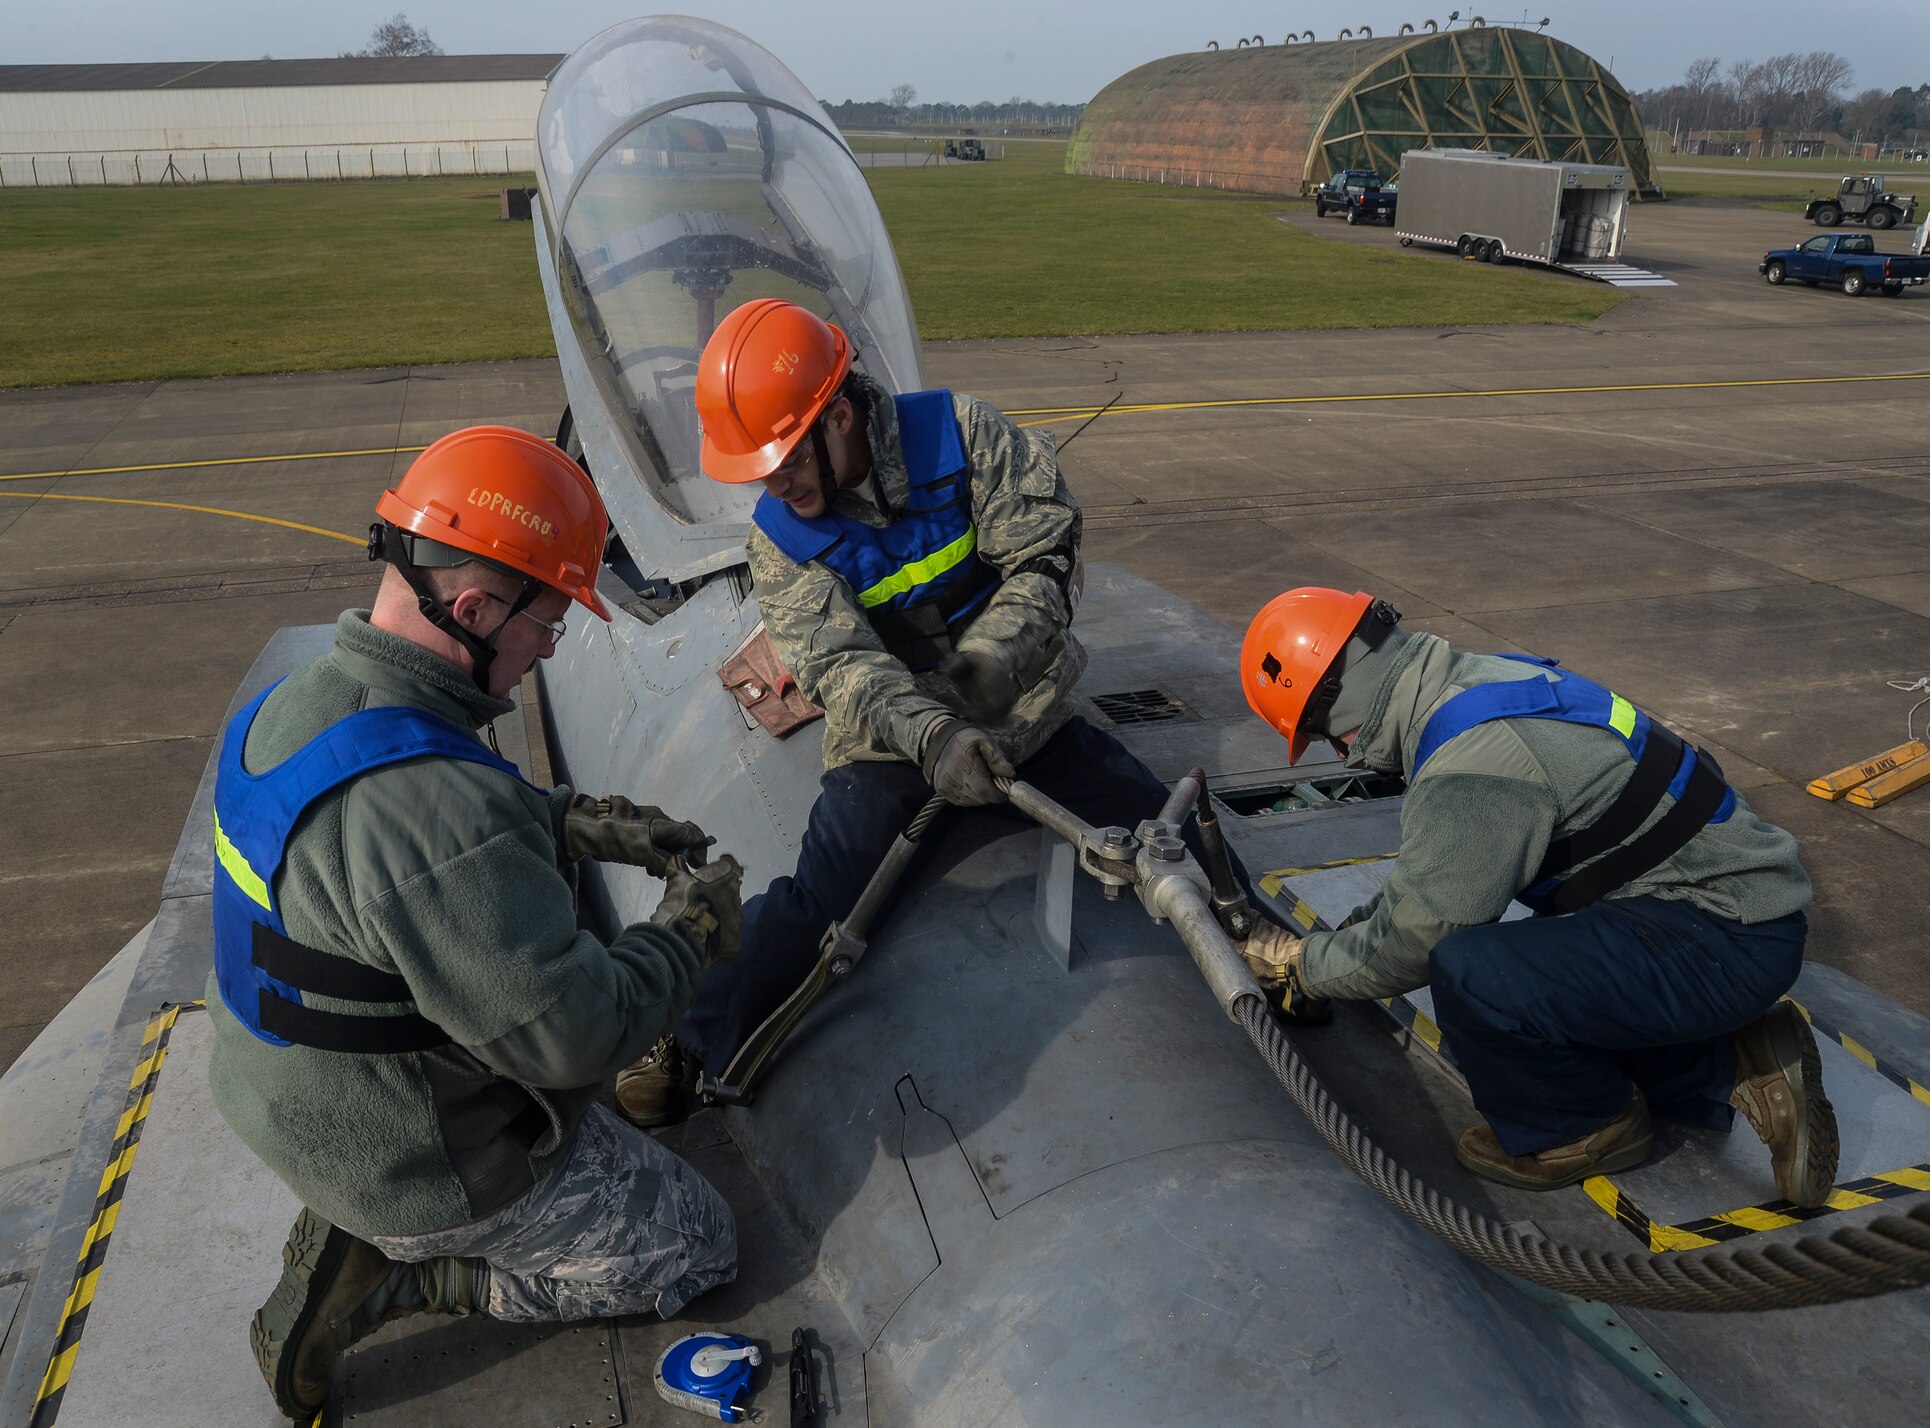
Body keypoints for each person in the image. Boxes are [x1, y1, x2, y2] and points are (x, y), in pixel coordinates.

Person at [206, 426, 746, 1424]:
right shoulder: (443, 811)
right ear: (474, 608)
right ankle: (407, 1274)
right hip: (400, 1153)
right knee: (700, 1242)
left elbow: (378, 856)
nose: (553, 644)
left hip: (272, 1089)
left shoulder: (301, 698)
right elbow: (572, 1039)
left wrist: (567, 822)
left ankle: (377, 1228)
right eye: (549, 620)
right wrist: (684, 934)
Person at [614, 298, 1244, 1123]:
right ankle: (686, 1037)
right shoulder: (781, 535)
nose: (775, 486)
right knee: (816, 901)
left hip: (1024, 715)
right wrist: (935, 731)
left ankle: (1265, 950)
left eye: (785, 463)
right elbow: (838, 662)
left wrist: (991, 670)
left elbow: (1045, 551)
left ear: (839, 417)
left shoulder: (966, 437)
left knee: (1173, 832)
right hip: (894, 745)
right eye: (761, 473)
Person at [1234, 587, 1838, 1207]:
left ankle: (1586, 1127)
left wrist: (1303, 969)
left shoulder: (1471, 767)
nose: (1341, 752)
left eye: (1324, 736)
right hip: (1719, 915)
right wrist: (1329, 945)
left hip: (1722, 936)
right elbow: (1428, 882)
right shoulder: (1474, 683)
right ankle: (1734, 1059)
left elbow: (1418, 937)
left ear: (1337, 703)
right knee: (1550, 1002)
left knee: (1477, 978)